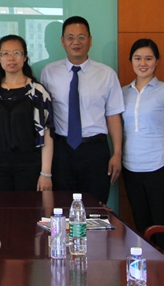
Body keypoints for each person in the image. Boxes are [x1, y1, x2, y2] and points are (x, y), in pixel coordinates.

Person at [39, 16, 124, 205]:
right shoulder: (49, 72)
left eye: (81, 37)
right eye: (70, 37)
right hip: (61, 150)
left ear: (90, 40)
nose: (75, 42)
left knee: (95, 207)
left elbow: (113, 116)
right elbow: (45, 117)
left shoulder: (106, 74)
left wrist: (117, 153)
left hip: (95, 151)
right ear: (62, 41)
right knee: (61, 207)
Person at [121, 39, 164, 251]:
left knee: (163, 230)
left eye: (148, 58)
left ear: (157, 61)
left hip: (159, 169)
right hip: (131, 169)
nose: (143, 63)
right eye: (138, 58)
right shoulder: (123, 92)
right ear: (131, 60)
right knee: (142, 230)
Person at [0, 35, 55, 191]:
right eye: (5, 53)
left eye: (17, 53)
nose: (11, 58)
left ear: (25, 57)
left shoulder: (37, 91)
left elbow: (47, 133)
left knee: (29, 206)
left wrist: (46, 173)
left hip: (30, 164)